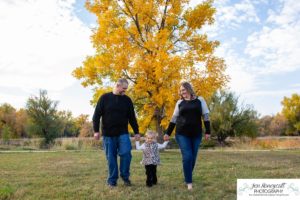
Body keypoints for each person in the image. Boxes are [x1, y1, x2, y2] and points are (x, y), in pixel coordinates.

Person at [93, 78, 140, 188]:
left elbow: (132, 118)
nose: (125, 91)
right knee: (111, 158)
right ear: (117, 86)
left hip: (123, 133)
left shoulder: (127, 100)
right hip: (108, 134)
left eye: (126, 89)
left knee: (126, 154)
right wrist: (96, 131)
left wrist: (136, 132)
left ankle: (125, 177)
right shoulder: (104, 98)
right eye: (123, 89)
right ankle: (112, 181)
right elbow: (96, 116)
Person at [164, 81, 211, 190]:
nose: (182, 92)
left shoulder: (200, 100)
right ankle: (189, 182)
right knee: (187, 156)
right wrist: (168, 132)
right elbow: (174, 118)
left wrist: (208, 131)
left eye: (184, 90)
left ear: (189, 89)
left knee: (193, 157)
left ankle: (187, 176)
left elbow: (206, 116)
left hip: (196, 134)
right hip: (181, 133)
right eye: (180, 91)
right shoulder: (179, 102)